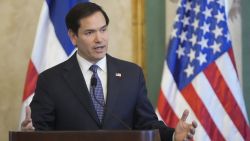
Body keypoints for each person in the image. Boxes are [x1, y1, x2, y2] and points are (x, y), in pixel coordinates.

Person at [21, 2, 197, 141]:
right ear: (73, 37)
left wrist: (174, 135)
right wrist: (29, 134)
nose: (100, 39)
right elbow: (39, 131)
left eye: (103, 30)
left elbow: (147, 123)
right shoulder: (51, 80)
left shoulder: (131, 74)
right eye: (90, 33)